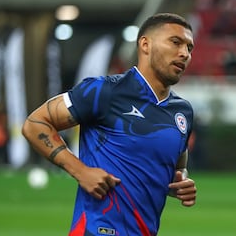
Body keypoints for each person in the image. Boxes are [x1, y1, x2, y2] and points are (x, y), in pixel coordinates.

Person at [22, 13, 197, 235]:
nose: (184, 53)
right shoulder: (104, 91)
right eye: (175, 42)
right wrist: (80, 171)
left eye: (189, 48)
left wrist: (179, 183)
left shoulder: (182, 112)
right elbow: (35, 123)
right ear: (145, 44)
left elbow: (177, 168)